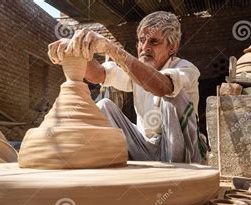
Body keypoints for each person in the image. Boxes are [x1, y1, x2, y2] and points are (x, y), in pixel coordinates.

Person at [48, 11, 206, 163]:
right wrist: (74, 50)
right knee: (104, 106)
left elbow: (162, 87)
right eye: (142, 40)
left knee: (172, 95)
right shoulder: (136, 73)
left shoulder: (186, 68)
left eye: (154, 41)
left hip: (185, 152)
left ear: (172, 47)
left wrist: (111, 49)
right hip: (146, 148)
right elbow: (98, 74)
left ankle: (179, 174)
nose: (145, 47)